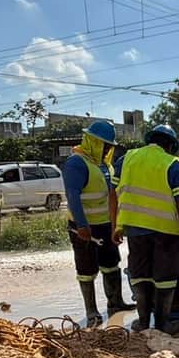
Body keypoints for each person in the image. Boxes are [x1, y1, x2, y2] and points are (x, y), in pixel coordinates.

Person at [113, 124, 179, 334]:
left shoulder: (126, 159)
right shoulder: (171, 163)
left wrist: (116, 225)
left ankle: (143, 322)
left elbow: (112, 193)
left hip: (134, 229)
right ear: (170, 145)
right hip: (166, 231)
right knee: (165, 278)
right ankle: (162, 325)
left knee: (140, 275)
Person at [61, 120, 134, 328]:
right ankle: (91, 311)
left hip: (105, 225)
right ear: (93, 142)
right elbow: (73, 196)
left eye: (110, 147)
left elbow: (111, 196)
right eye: (105, 145)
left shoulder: (104, 165)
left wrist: (116, 225)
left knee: (111, 264)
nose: (108, 150)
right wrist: (82, 225)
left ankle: (116, 303)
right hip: (85, 227)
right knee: (86, 269)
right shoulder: (76, 163)